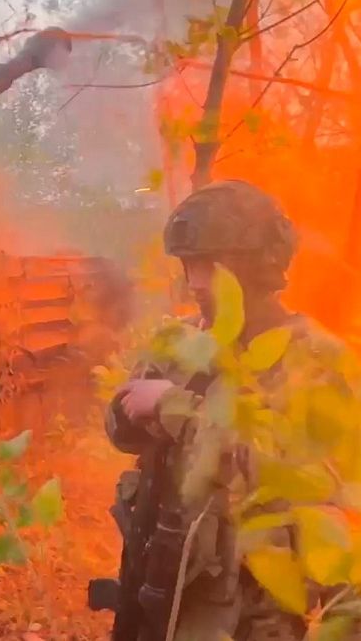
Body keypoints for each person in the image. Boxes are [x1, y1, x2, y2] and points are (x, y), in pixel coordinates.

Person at [104, 179, 358, 639]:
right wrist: (128, 414)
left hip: (253, 615)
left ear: (254, 266)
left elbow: (308, 477)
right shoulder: (183, 341)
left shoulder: (314, 360)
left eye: (208, 266)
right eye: (188, 265)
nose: (194, 282)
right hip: (161, 588)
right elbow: (120, 424)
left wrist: (172, 408)